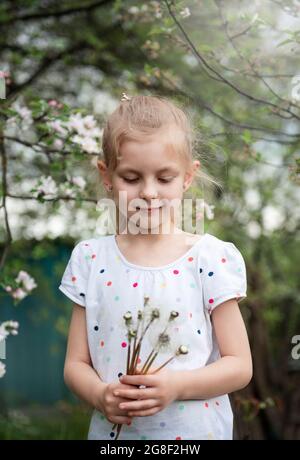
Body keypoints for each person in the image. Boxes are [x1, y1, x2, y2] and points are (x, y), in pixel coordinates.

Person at [59, 94, 252, 440]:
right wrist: (99, 395)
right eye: (131, 178)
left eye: (164, 179)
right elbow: (75, 365)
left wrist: (176, 386)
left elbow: (239, 366)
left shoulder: (209, 258)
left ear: (188, 177)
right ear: (107, 175)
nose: (149, 193)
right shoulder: (90, 259)